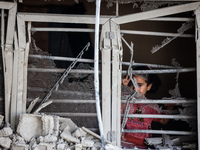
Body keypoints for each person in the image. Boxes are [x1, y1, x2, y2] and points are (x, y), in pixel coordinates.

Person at [121, 66, 170, 149]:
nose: (135, 89)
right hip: (122, 144)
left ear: (149, 86)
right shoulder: (124, 100)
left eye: (140, 85)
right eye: (132, 84)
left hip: (143, 146)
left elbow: (163, 121)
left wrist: (170, 108)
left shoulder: (151, 106)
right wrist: (122, 86)